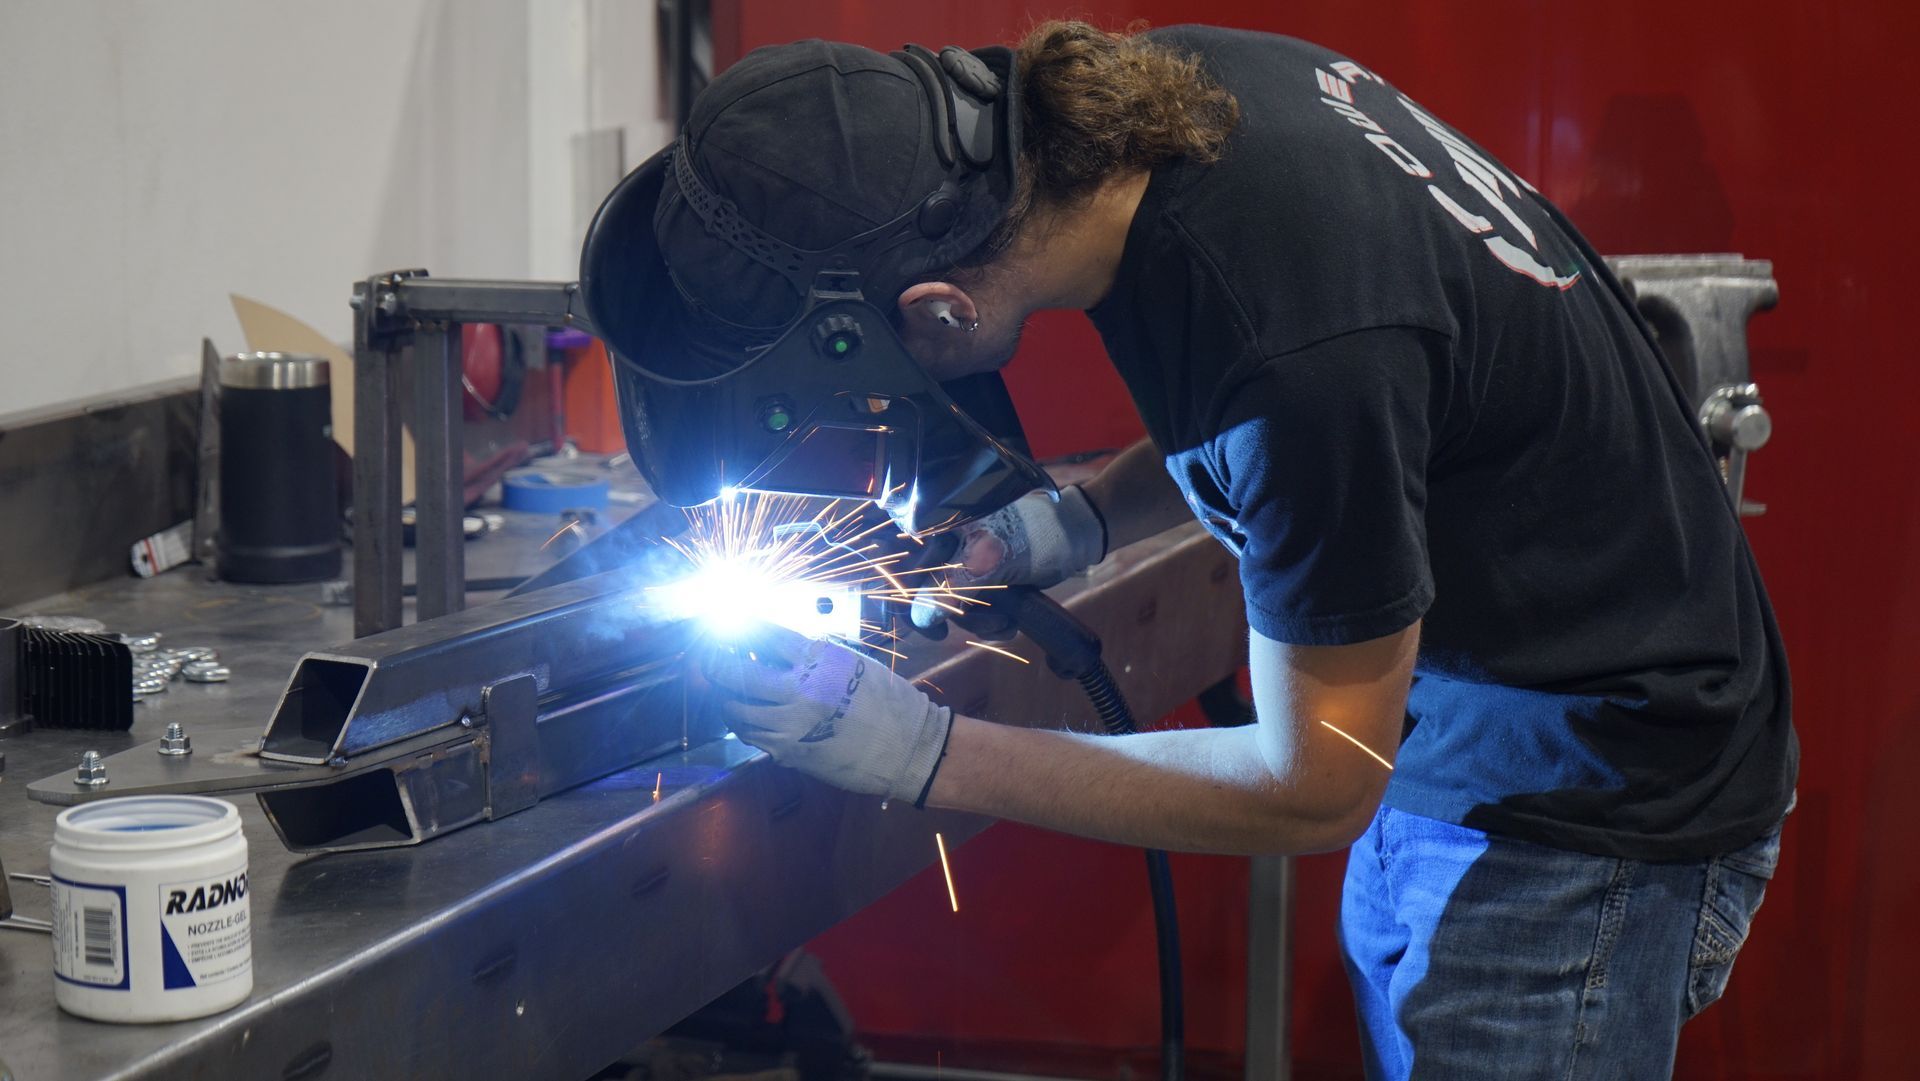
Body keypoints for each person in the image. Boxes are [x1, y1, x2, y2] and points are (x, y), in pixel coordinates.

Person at [651, 21, 1797, 1079]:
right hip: (1462, 725)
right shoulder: (1172, 118)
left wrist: (924, 753)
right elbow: (1269, 390)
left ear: (944, 310)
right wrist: (1077, 521)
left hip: (1594, 804)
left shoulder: (1305, 353)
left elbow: (1312, 789)